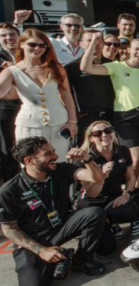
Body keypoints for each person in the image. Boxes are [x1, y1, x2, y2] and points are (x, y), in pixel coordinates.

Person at [0, 136, 106, 286]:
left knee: (94, 213)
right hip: (35, 240)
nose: (55, 156)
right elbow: (9, 229)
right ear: (29, 160)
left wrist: (87, 159)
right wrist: (41, 251)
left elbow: (98, 178)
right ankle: (61, 255)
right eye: (48, 153)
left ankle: (83, 259)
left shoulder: (61, 169)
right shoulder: (9, 190)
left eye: (54, 151)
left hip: (62, 227)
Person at [81, 34, 139, 197]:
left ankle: (137, 191)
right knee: (135, 158)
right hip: (124, 116)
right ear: (129, 50)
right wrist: (93, 43)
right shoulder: (117, 66)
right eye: (137, 49)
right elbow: (86, 67)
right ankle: (128, 192)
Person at [0, 30, 78, 161]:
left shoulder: (56, 68)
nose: (37, 49)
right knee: (32, 162)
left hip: (59, 123)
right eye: (32, 45)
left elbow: (67, 95)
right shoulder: (12, 71)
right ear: (21, 44)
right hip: (29, 125)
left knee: (60, 160)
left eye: (42, 45)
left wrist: (72, 122)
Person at [78, 121, 138, 248]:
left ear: (113, 132)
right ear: (91, 139)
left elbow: (131, 177)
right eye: (97, 133)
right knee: (106, 248)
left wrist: (126, 195)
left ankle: (110, 221)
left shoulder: (123, 151)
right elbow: (92, 193)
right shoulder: (85, 158)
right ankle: (98, 223)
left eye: (108, 130)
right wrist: (102, 175)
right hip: (92, 201)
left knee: (131, 211)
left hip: (113, 197)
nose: (104, 135)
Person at [66, 29, 115, 137]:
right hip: (86, 119)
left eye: (98, 40)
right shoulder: (72, 68)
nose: (94, 43)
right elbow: (66, 95)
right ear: (81, 44)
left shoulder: (113, 65)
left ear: (103, 43)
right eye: (89, 40)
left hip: (112, 116)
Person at [0, 22, 21, 181]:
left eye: (12, 34)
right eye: (3, 35)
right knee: (9, 151)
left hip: (30, 108)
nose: (9, 38)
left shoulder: (28, 54)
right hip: (6, 111)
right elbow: (7, 94)